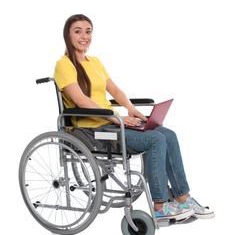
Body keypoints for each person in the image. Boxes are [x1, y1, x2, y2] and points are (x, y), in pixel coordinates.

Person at [53, 14, 215, 220]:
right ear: (67, 35)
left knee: (169, 134)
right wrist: (117, 118)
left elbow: (116, 91)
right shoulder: (64, 64)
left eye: (88, 31)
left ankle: (183, 197)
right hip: (92, 130)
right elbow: (82, 101)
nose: (84, 36)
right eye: (78, 31)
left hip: (112, 122)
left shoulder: (94, 62)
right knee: (156, 140)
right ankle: (160, 206)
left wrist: (131, 110)